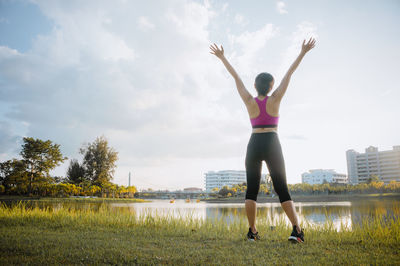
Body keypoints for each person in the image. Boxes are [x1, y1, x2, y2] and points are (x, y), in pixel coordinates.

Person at [210, 37, 316, 243]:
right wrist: (302, 53)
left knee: (252, 189)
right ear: (270, 86)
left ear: (255, 86)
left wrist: (222, 58)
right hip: (272, 142)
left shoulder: (249, 101)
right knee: (282, 187)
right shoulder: (275, 99)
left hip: (254, 143)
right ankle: (297, 230)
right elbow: (289, 74)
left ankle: (252, 232)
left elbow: (236, 78)